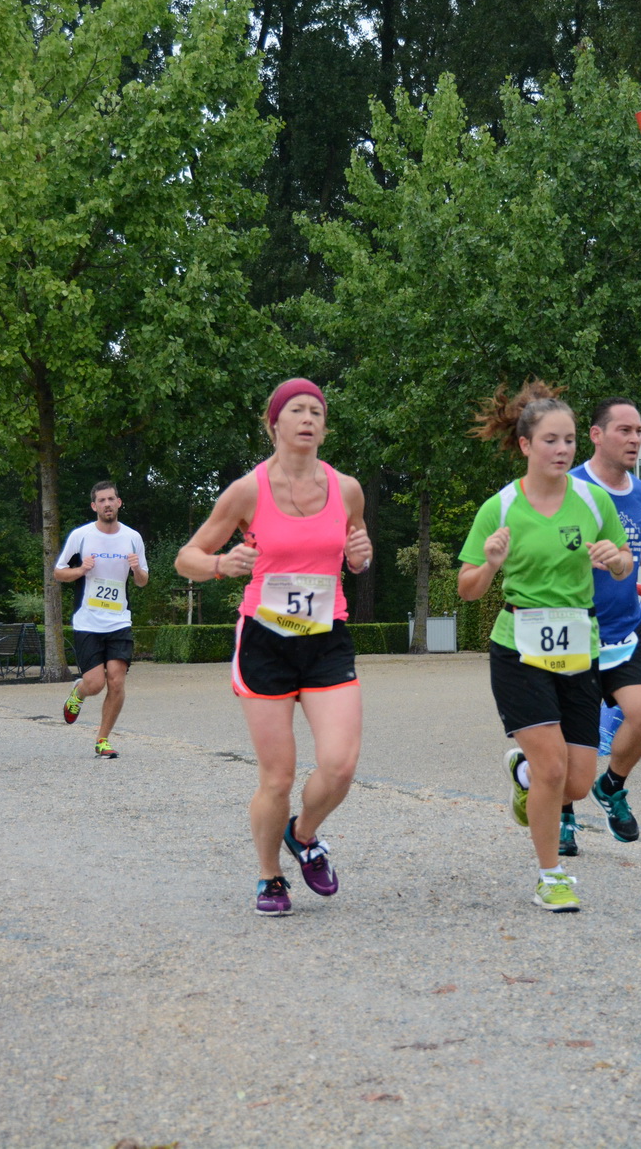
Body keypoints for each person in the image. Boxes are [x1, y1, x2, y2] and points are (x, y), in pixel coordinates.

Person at [174, 379, 374, 917]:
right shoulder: (247, 491)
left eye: (317, 412)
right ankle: (269, 877)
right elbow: (186, 556)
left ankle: (303, 835)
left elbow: (356, 552)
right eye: (297, 411)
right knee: (279, 776)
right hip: (265, 638)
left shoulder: (347, 488)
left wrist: (361, 556)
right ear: (274, 424)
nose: (308, 419)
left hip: (326, 636)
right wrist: (220, 564)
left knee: (340, 765)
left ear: (324, 428)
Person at [458, 382, 632, 912]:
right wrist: (489, 562)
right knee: (555, 770)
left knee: (576, 783)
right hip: (519, 645)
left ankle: (524, 775)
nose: (563, 450)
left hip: (580, 644)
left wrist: (616, 560)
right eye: (551, 440)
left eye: (571, 440)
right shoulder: (502, 506)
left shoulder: (592, 499)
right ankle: (549, 875)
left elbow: (625, 565)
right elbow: (467, 589)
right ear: (526, 445)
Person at [568, 398, 641, 851]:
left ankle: (611, 787)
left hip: (625, 629)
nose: (634, 439)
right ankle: (563, 817)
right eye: (624, 430)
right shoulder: (569, 488)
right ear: (596, 434)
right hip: (573, 631)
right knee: (575, 738)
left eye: (639, 431)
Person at [55, 481, 148, 760]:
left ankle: (102, 740)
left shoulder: (132, 537)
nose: (107, 504)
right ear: (94, 506)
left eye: (111, 499)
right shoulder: (81, 536)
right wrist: (81, 569)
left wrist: (136, 569)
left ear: (119, 502)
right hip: (88, 622)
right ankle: (78, 693)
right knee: (95, 684)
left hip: (119, 620)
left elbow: (143, 581)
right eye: (101, 500)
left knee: (117, 682)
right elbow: (58, 572)